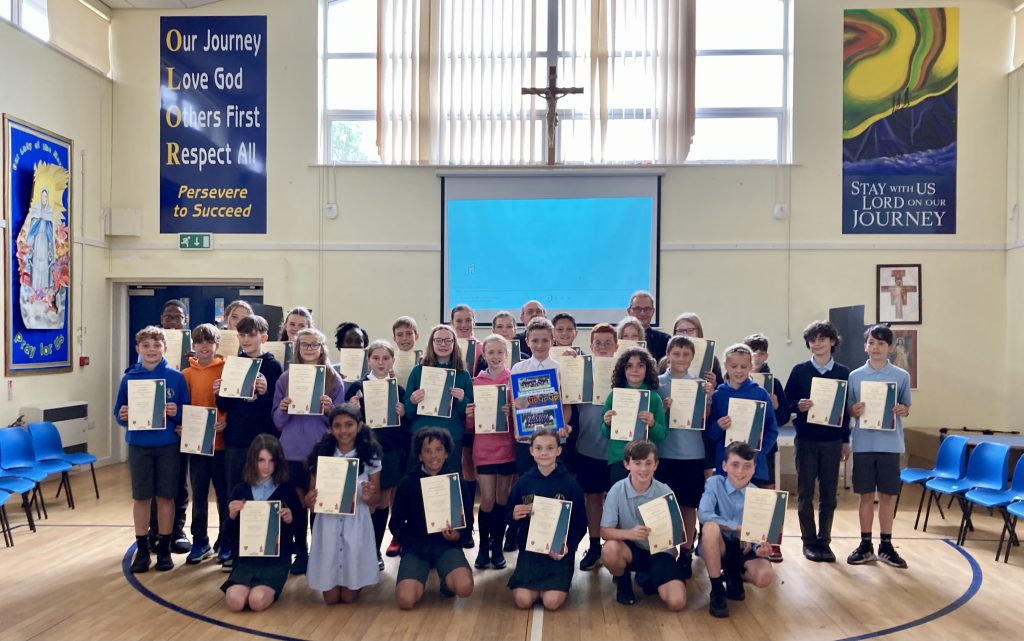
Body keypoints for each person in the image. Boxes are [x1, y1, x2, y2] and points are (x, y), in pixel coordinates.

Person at [113, 326, 191, 573]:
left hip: (167, 445)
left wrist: (175, 412)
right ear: (138, 349)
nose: (151, 350)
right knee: (141, 498)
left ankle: (165, 548)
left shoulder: (176, 377)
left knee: (166, 497)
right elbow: (119, 413)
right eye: (146, 346)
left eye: (156, 346)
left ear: (165, 349)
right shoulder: (129, 379)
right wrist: (123, 416)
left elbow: (186, 412)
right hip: (139, 446)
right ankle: (143, 549)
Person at [272, 328, 345, 575]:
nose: (310, 349)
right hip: (291, 452)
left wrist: (330, 409)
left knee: (319, 508)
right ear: (297, 348)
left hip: (321, 453)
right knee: (295, 507)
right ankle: (301, 554)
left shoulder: (334, 380)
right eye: (305, 345)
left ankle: (320, 554)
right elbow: (278, 422)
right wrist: (283, 408)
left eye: (315, 345)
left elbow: (342, 425)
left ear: (322, 348)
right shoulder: (285, 379)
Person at [215, 314, 285, 568]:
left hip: (263, 440)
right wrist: (220, 391)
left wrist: (265, 392)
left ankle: (262, 546)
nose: (246, 340)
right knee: (234, 492)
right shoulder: (233, 364)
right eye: (242, 335)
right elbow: (225, 404)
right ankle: (231, 547)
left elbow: (276, 407)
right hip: (236, 439)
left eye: (251, 335)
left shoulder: (273, 366)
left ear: (263, 337)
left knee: (262, 494)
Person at [782, 320, 850, 563]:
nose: (817, 343)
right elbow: (786, 403)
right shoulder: (799, 371)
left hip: (832, 442)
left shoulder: (843, 373)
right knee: (805, 493)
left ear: (832, 341)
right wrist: (797, 406)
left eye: (822, 339)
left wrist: (845, 440)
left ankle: (825, 541)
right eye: (812, 340)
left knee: (829, 495)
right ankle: (809, 541)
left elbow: (846, 412)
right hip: (806, 440)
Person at [846, 324, 912, 569]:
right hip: (863, 444)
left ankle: (886, 544)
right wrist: (855, 410)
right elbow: (850, 408)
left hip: (890, 445)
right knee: (865, 497)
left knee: (887, 497)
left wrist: (902, 409)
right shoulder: (854, 376)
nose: (876, 348)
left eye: (881, 344)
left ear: (890, 348)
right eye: (871, 343)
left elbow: (905, 406)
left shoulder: (901, 376)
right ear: (865, 346)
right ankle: (865, 544)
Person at [305, 405, 383, 603]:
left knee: (349, 598)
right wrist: (309, 500)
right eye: (337, 426)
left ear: (359, 426)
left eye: (349, 425)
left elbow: (377, 500)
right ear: (330, 429)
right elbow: (311, 501)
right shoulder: (322, 454)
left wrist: (368, 497)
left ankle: (354, 580)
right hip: (328, 524)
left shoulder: (370, 455)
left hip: (356, 523)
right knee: (330, 599)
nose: (343, 431)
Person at [390, 428, 474, 609]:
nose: (433, 455)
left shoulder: (457, 481)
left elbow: (468, 520)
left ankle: (446, 581)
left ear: (446, 453)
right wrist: (412, 542)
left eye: (438, 450)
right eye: (427, 451)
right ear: (419, 455)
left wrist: (457, 536)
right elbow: (395, 524)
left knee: (465, 587)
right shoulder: (407, 483)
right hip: (416, 548)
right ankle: (419, 575)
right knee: (405, 600)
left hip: (446, 546)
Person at [342, 339, 408, 569]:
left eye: (385, 358)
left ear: (392, 361)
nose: (380, 362)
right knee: (362, 501)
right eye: (376, 358)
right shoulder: (356, 387)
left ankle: (375, 551)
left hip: (389, 452)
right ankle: (356, 550)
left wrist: (403, 412)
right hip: (362, 452)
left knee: (381, 502)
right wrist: (352, 408)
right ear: (368, 360)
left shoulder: (398, 390)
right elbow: (343, 420)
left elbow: (405, 426)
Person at [600, 440, 686, 610]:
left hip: (660, 552)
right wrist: (630, 534)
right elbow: (604, 532)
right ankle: (623, 582)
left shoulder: (665, 491)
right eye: (637, 463)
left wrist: (673, 542)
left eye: (648, 463)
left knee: (677, 603)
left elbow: (676, 535)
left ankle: (648, 576)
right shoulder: (616, 490)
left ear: (656, 465)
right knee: (610, 549)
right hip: (631, 551)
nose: (643, 469)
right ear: (627, 464)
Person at [507, 428, 587, 611]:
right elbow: (508, 515)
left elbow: (581, 523)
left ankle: (556, 583)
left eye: (550, 448)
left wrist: (568, 545)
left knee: (551, 602)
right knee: (523, 601)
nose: (544, 453)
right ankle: (535, 586)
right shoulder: (523, 483)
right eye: (539, 448)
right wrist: (513, 514)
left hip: (558, 552)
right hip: (531, 550)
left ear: (559, 451)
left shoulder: (570, 484)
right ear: (531, 451)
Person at [221, 434, 303, 612]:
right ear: (252, 460)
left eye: (271, 461)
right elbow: (227, 537)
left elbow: (299, 531)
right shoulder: (240, 489)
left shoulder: (287, 490)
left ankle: (271, 586)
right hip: (246, 560)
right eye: (261, 460)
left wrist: (290, 519)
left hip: (275, 561)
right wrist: (232, 516)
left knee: (256, 601)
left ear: (278, 462)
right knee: (235, 602)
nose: (266, 467)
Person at [655, 335, 715, 578]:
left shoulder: (700, 385)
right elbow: (649, 416)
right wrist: (662, 407)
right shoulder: (657, 384)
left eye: (686, 354)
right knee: (663, 507)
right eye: (676, 354)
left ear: (693, 358)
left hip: (692, 454)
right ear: (668, 356)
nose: (681, 359)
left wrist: (707, 399)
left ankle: (687, 552)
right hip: (663, 453)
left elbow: (706, 417)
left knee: (688, 506)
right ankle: (665, 552)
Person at [698, 441, 775, 618]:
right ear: (724, 465)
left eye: (747, 466)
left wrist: (760, 548)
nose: (740, 471)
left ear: (754, 468)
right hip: (720, 545)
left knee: (764, 577)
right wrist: (738, 528)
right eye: (735, 465)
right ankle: (717, 590)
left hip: (744, 548)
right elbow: (704, 514)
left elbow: (759, 532)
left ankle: (734, 575)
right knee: (710, 528)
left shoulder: (758, 495)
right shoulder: (714, 483)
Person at [465, 334, 516, 570]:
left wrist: (512, 412)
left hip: (507, 448)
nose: (495, 357)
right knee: (486, 500)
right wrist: (471, 414)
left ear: (507, 354)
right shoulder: (476, 383)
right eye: (491, 352)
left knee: (502, 500)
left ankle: (497, 546)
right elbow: (469, 427)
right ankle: (483, 547)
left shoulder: (514, 381)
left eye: (500, 352)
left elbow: (524, 423)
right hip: (484, 449)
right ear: (484, 355)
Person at [181, 323, 227, 565]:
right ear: (193, 346)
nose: (204, 346)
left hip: (221, 445)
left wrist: (225, 421)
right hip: (197, 446)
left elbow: (234, 402)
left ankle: (226, 541)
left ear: (216, 345)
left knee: (223, 495)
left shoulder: (227, 369)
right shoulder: (186, 375)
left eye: (209, 342)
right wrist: (181, 425)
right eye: (199, 342)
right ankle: (200, 541)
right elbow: (182, 406)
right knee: (198, 496)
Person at [743, 332, 790, 562]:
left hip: (766, 449)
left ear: (766, 355)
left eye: (760, 352)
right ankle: (749, 543)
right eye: (751, 352)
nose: (756, 356)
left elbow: (781, 419)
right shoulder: (733, 380)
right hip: (740, 451)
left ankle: (772, 543)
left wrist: (778, 405)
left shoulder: (774, 384)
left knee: (768, 495)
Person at [574, 323, 617, 571]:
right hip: (588, 446)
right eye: (598, 343)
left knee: (615, 499)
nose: (602, 347)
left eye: (607, 343)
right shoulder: (579, 370)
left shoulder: (626, 372)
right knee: (592, 497)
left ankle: (614, 547)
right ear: (590, 346)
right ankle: (594, 545)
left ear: (616, 346)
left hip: (617, 449)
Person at [706, 344, 779, 491]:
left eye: (743, 366)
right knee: (727, 509)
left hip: (753, 465)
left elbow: (771, 429)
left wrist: (759, 450)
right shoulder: (718, 395)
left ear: (751, 366)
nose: (738, 370)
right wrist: (719, 427)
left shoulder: (760, 394)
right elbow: (709, 433)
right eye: (734, 366)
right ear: (726, 365)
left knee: (751, 510)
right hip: (726, 465)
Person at [601, 347, 667, 486]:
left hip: (645, 461)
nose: (634, 370)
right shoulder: (614, 396)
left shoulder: (654, 398)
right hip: (619, 458)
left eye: (640, 365)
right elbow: (605, 433)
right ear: (623, 371)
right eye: (629, 366)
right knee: (619, 500)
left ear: (647, 370)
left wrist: (652, 424)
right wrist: (607, 423)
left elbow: (662, 435)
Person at [157, 299, 192, 554]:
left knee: (179, 482)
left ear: (185, 321)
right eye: (168, 317)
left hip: (183, 428)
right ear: (162, 320)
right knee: (154, 485)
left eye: (177, 317)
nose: (172, 322)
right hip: (155, 431)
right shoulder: (151, 350)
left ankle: (177, 530)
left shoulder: (196, 352)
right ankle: (154, 531)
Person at [450, 305, 481, 547]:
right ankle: (452, 524)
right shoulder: (444, 348)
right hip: (450, 419)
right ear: (451, 323)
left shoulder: (482, 348)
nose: (463, 324)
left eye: (467, 320)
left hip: (477, 418)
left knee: (469, 471)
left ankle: (468, 527)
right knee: (453, 473)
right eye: (458, 320)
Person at [627, 290, 670, 361]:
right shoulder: (618, 339)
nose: (642, 313)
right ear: (629, 311)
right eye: (637, 309)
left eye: (647, 309)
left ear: (653, 312)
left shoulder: (665, 340)